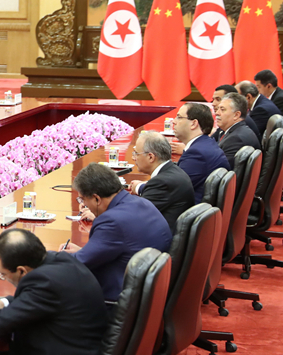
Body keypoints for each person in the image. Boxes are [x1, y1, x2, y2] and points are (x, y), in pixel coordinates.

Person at [67, 163, 171, 301]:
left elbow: (78, 263)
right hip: (150, 297)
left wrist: (46, 256)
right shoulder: (143, 203)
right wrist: (83, 252)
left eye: (83, 199)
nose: (84, 205)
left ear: (97, 199)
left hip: (117, 302)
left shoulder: (111, 222)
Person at [129, 131, 194, 231]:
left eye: (136, 153)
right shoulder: (173, 170)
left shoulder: (162, 182)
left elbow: (135, 216)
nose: (133, 158)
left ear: (151, 157)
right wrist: (141, 188)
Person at [173, 103, 230, 203]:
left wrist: (143, 185)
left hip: (190, 209)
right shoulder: (206, 143)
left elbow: (172, 189)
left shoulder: (197, 154)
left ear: (194, 123)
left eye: (179, 117)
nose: (174, 121)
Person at [215, 92, 261, 167]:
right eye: (217, 109)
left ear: (236, 115)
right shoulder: (236, 130)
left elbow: (221, 169)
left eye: (222, 109)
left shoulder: (236, 139)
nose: (217, 113)